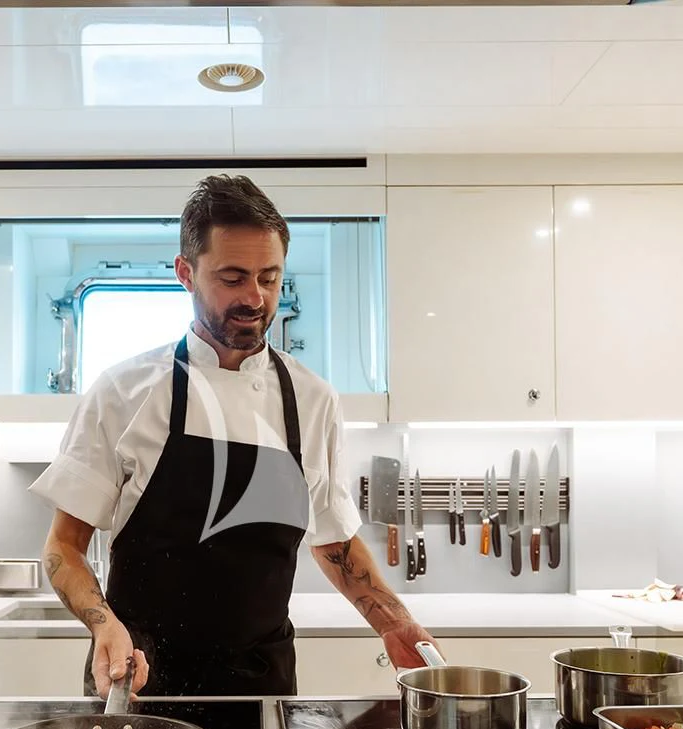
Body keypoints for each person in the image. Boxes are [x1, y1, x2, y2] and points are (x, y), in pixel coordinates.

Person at [28, 174, 436, 699]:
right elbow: (64, 547)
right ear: (186, 273)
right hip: (139, 683)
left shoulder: (313, 400)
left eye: (269, 278)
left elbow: (333, 539)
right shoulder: (123, 393)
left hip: (262, 685)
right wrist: (102, 624)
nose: (255, 297)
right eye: (232, 277)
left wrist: (393, 620)